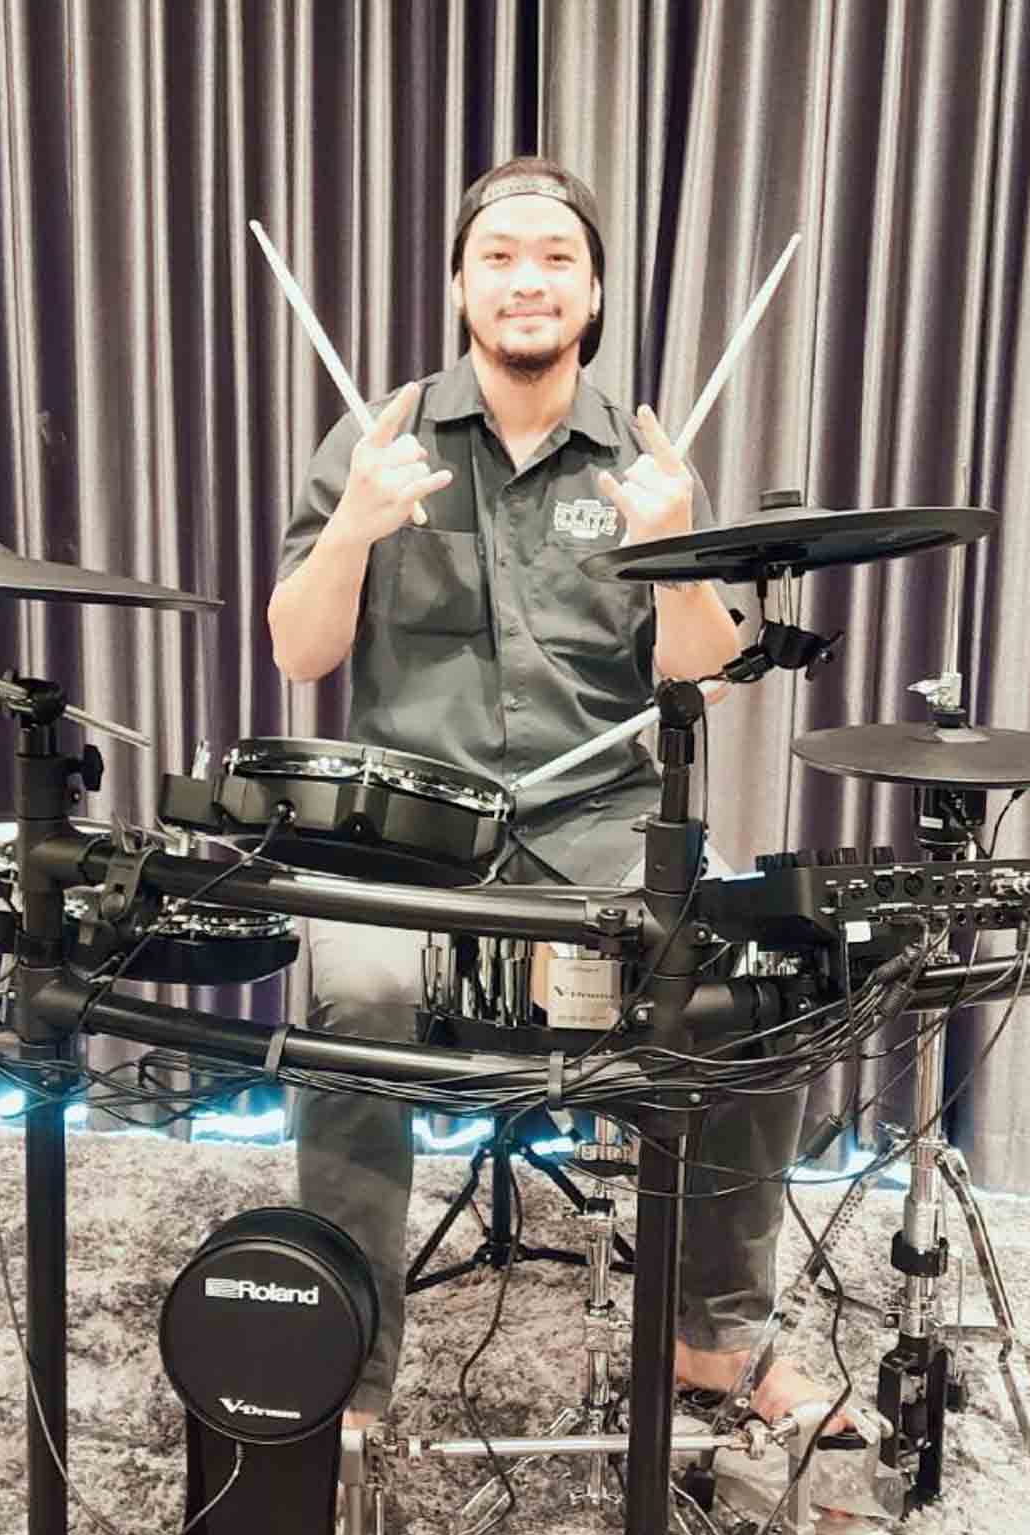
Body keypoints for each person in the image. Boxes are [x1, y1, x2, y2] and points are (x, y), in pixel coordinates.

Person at [268, 157, 834, 1431]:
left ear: (593, 291)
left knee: (757, 996)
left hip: (598, 821)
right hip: (409, 829)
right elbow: (299, 652)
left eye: (555, 258)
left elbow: (701, 679)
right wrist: (354, 525)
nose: (526, 280)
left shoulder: (642, 454)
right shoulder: (379, 437)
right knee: (356, 1003)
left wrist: (675, 549)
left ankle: (711, 1339)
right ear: (458, 284)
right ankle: (349, 1367)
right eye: (499, 256)